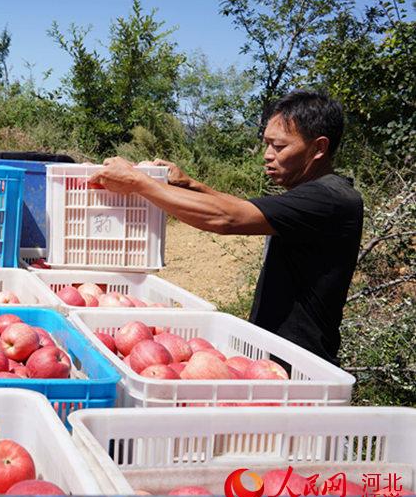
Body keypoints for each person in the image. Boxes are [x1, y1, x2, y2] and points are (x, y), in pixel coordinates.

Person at [90, 91, 363, 365]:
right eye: (266, 144)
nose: (267, 156)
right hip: (275, 354)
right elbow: (244, 208)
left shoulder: (328, 199)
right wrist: (192, 185)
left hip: (301, 363)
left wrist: (138, 182)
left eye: (279, 147)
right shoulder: (318, 193)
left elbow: (227, 218)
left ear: (318, 148)